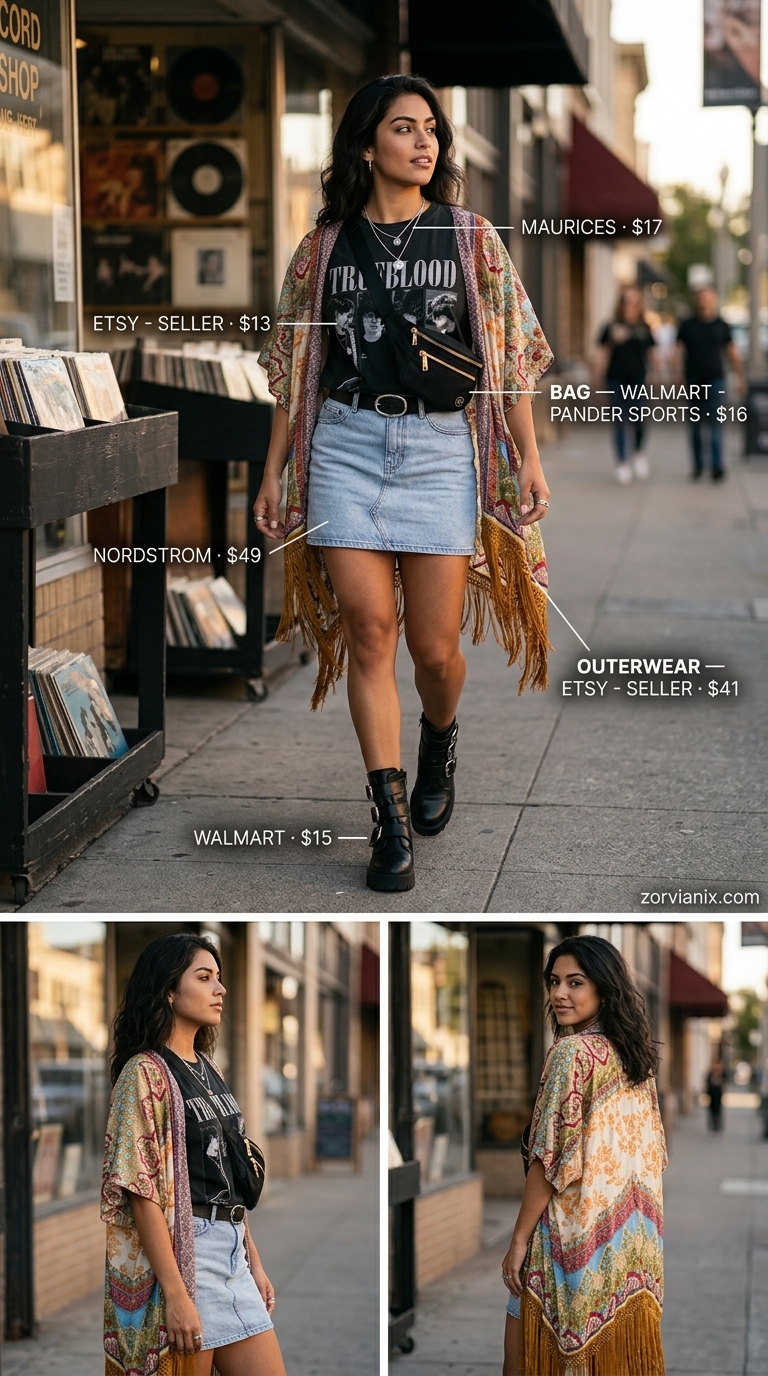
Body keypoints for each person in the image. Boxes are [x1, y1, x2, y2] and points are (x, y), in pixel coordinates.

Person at [254, 74, 553, 894]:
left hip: (437, 452)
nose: (424, 143)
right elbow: (293, 372)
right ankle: (387, 823)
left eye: (432, 131)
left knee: (435, 649)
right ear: (364, 144)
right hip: (346, 444)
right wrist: (275, 471)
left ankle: (440, 736)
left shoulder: (470, 238)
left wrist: (526, 457)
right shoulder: (320, 250)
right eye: (403, 128)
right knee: (368, 628)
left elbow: (508, 358)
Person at [102, 933, 287, 1376]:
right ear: (168, 990)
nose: (219, 989)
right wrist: (177, 1293)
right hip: (187, 1257)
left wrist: (253, 1262)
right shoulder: (144, 1073)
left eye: (219, 978)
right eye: (204, 978)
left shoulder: (210, 1068)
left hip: (232, 1253)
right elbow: (139, 1190)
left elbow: (229, 1175)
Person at [501, 935, 667, 1376]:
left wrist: (518, 1240)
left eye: (575, 982)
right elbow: (653, 1157)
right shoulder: (637, 1061)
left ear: (604, 987)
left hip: (568, 1244)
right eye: (554, 981)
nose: (559, 993)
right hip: (630, 1250)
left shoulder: (572, 1054)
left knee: (521, 1365)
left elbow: (549, 1158)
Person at [674, 285, 745, 481]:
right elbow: (677, 351)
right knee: (696, 425)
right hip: (694, 381)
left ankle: (716, 465)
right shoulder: (687, 325)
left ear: (713, 300)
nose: (704, 300)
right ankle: (698, 464)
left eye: (708, 297)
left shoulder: (721, 325)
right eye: (701, 297)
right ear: (696, 300)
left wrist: (740, 377)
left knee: (715, 423)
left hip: (715, 379)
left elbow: (732, 353)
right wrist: (677, 374)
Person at [594, 286, 658, 484]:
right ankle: (622, 462)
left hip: (637, 380)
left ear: (639, 306)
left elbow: (652, 354)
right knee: (620, 421)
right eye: (626, 301)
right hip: (616, 379)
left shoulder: (643, 327)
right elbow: (602, 353)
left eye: (633, 302)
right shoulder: (611, 326)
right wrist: (597, 377)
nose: (629, 306)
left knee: (639, 420)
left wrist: (657, 375)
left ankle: (638, 453)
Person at [706, 1058, 725, 1133]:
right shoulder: (710, 1074)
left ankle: (717, 1128)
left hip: (718, 1097)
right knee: (711, 1113)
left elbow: (725, 1084)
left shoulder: (722, 1074)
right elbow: (707, 1084)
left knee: (718, 1113)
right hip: (711, 1097)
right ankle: (712, 1128)